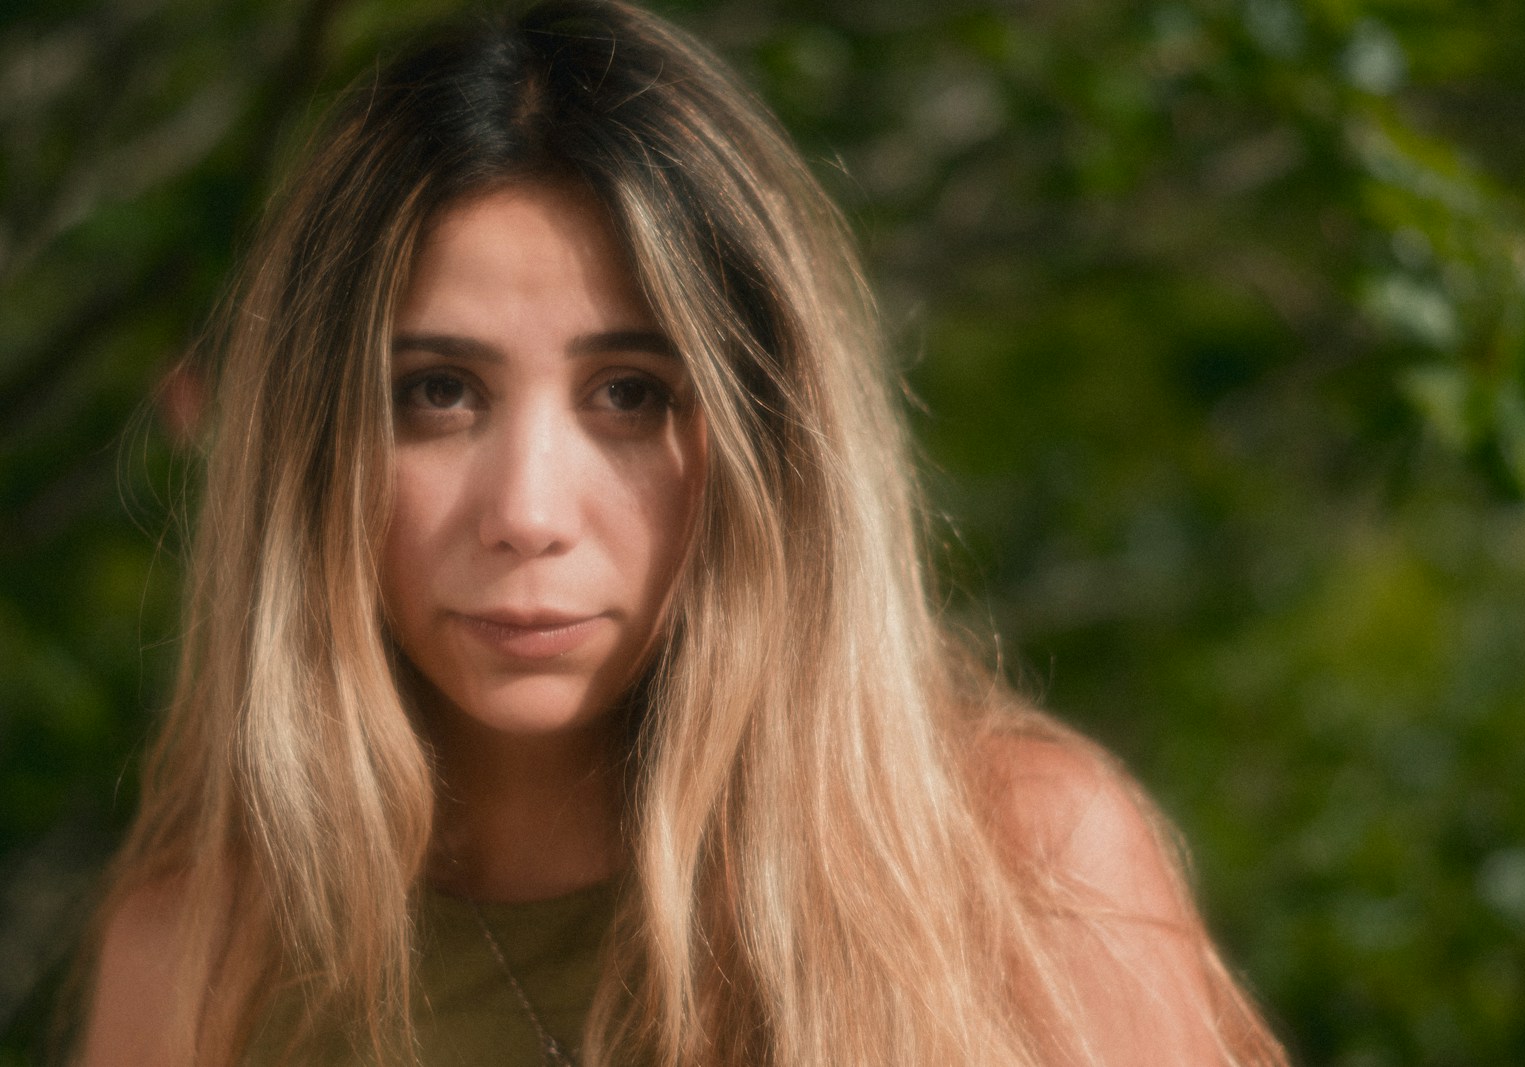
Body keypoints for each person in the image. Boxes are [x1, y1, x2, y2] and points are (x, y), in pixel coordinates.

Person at [75, 1, 1288, 1064]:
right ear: (310, 444)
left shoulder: (1015, 867)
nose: (527, 514)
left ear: (773, 441)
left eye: (630, 394)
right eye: (437, 392)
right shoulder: (197, 962)